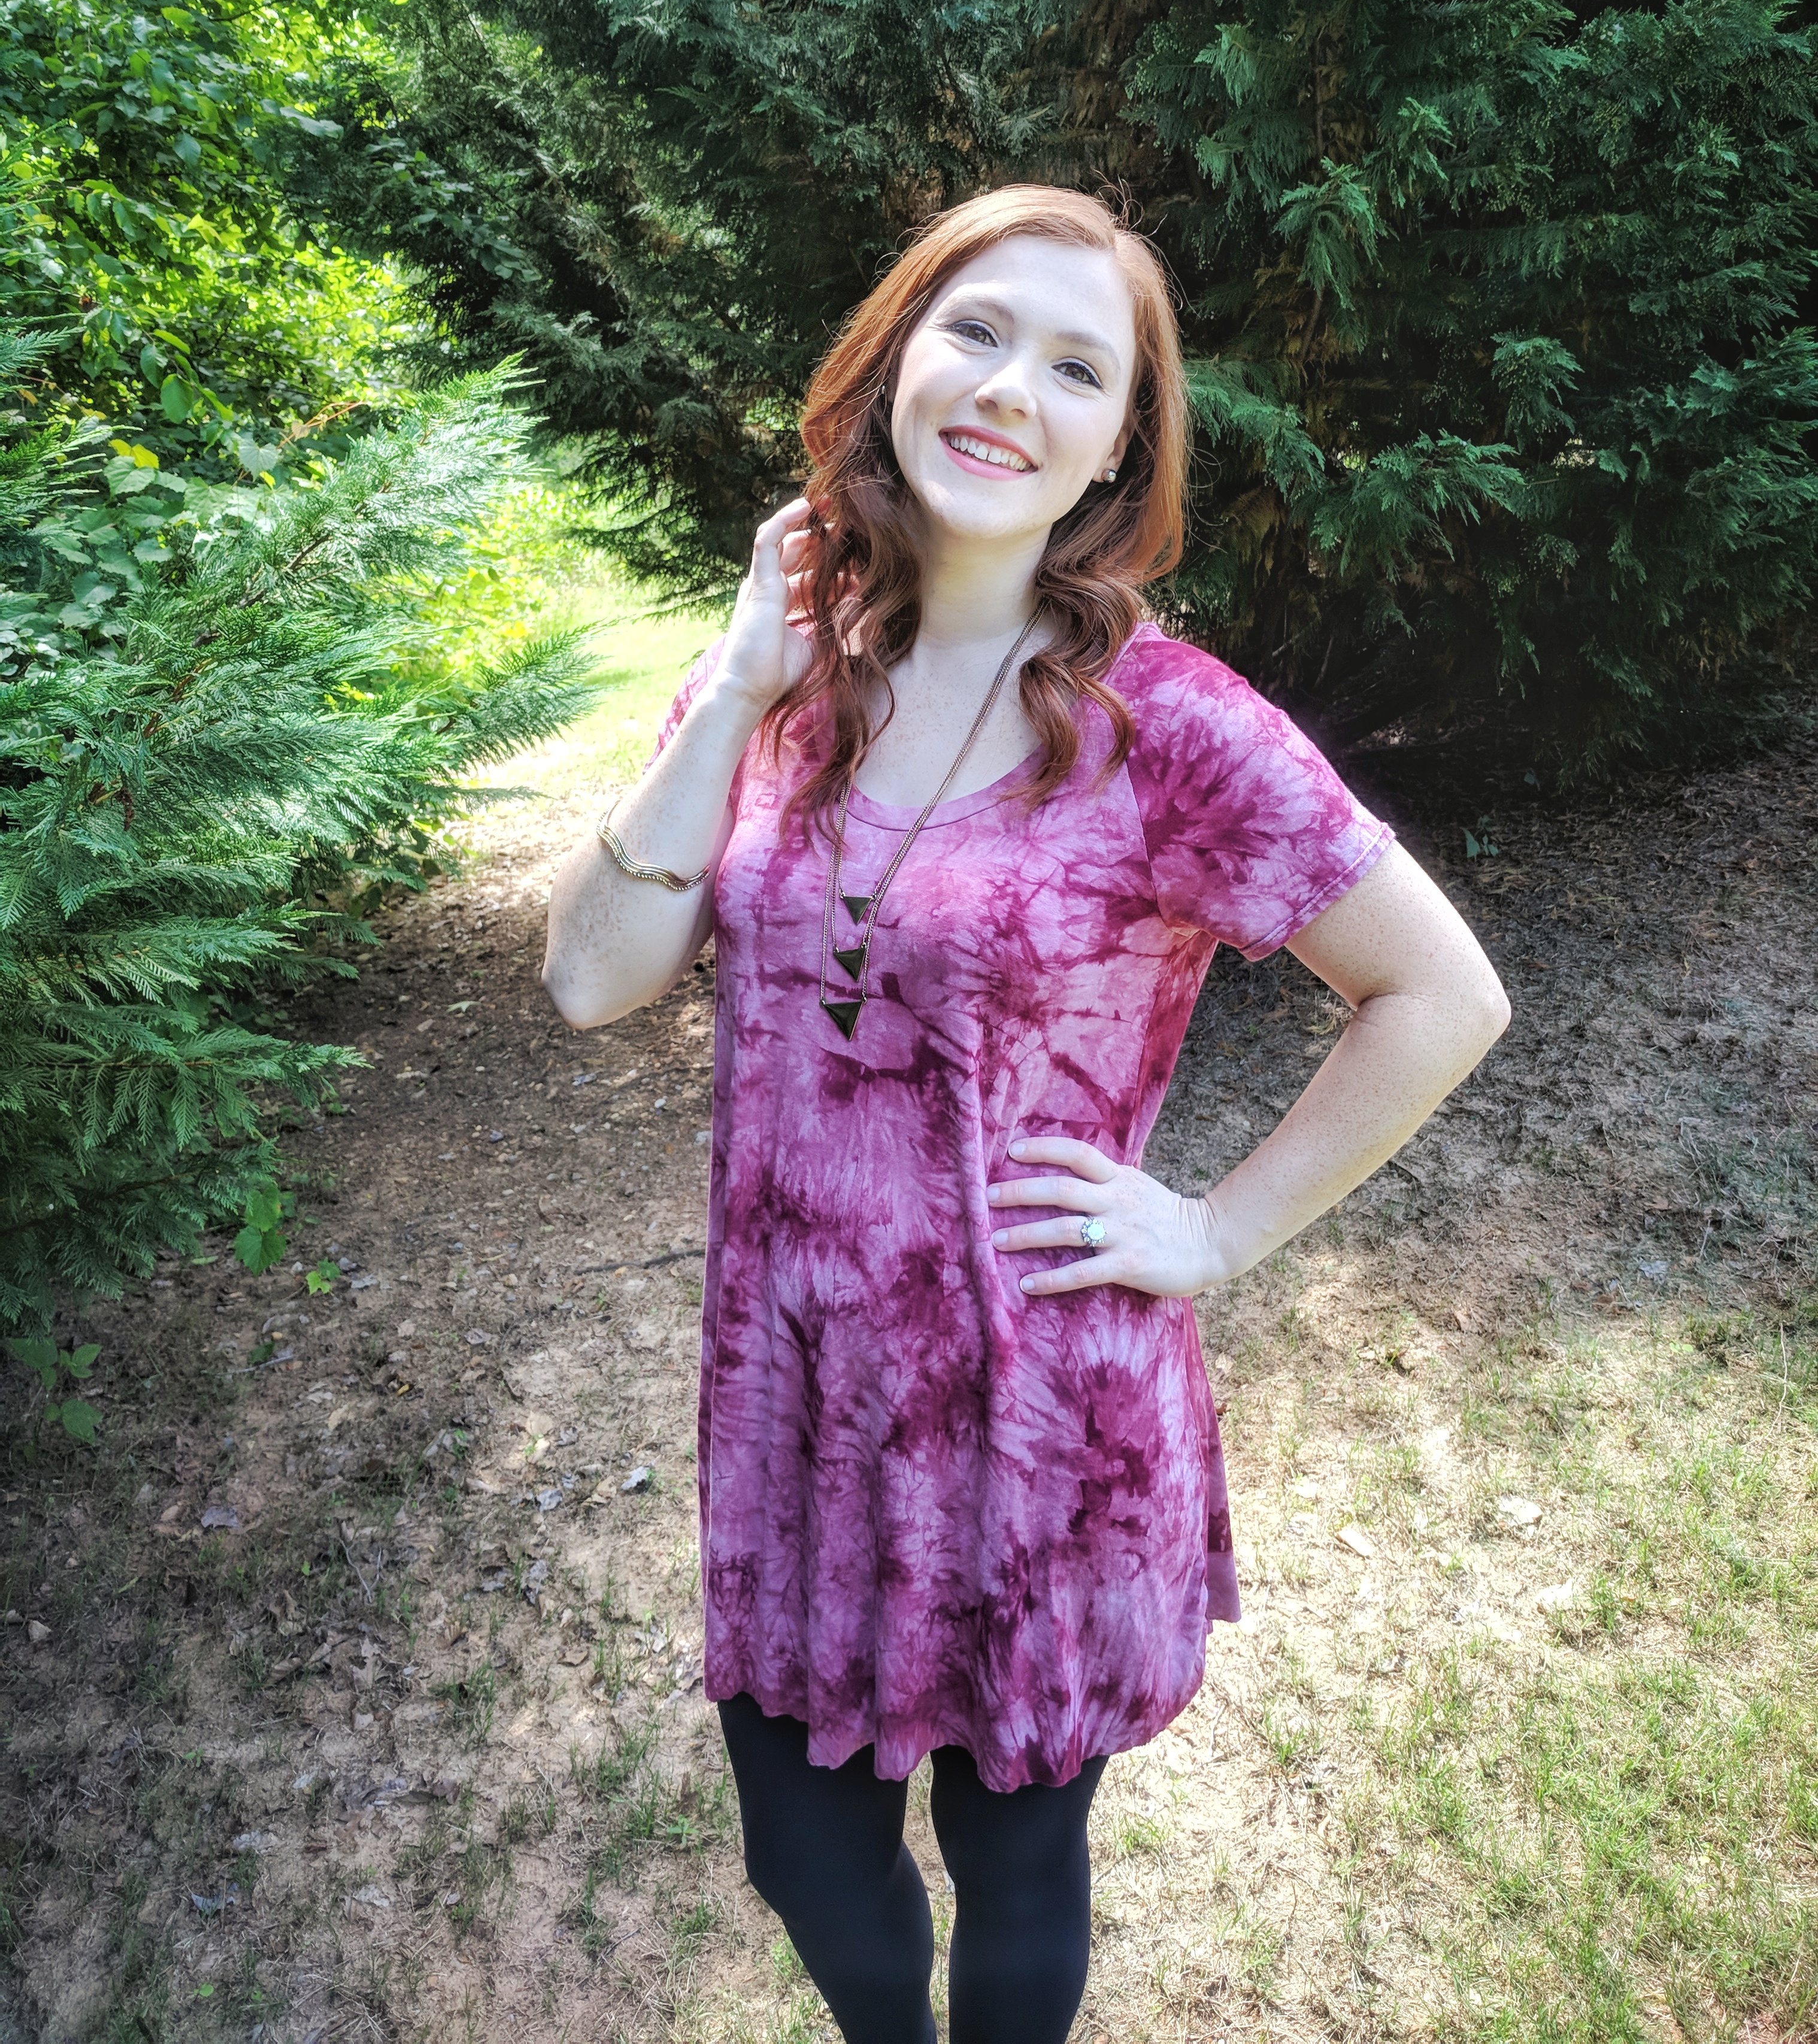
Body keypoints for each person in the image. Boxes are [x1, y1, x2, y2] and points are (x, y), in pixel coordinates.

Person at [541, 185, 1509, 2044]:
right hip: (790, 1390)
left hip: (1033, 1409)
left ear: (1116, 450)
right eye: (977, 331)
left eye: (1080, 368)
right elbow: (592, 980)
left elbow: (1438, 991)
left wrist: (1215, 1228)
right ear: (896, 356)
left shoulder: (1172, 725)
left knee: (1015, 1865)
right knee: (803, 1857)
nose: (1010, 389)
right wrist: (737, 687)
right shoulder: (770, 676)